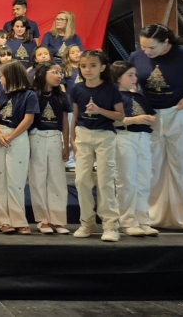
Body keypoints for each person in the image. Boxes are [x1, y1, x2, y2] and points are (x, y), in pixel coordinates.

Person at [129, 24, 183, 234]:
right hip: (150, 116)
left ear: (166, 43)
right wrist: (132, 92)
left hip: (180, 113)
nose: (146, 51)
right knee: (151, 167)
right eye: (143, 46)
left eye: (151, 47)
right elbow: (130, 79)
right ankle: (150, 217)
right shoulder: (136, 56)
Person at [70, 50, 125, 242]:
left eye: (93, 65)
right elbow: (75, 116)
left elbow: (120, 116)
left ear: (102, 68)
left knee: (105, 181)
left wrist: (99, 110)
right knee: (81, 180)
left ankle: (110, 225)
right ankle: (87, 222)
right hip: (83, 135)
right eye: (83, 66)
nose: (87, 69)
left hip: (105, 136)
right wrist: (72, 139)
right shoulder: (77, 89)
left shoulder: (111, 88)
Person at [111, 61, 159, 237]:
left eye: (134, 75)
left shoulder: (138, 97)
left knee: (143, 180)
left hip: (143, 138)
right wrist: (134, 120)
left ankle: (143, 220)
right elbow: (112, 121)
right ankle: (127, 221)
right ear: (118, 77)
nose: (134, 78)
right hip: (124, 137)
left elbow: (151, 115)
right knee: (127, 180)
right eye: (129, 75)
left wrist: (149, 119)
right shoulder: (113, 97)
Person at [0, 61, 38, 235]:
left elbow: (28, 119)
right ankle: (3, 220)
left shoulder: (29, 95)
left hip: (17, 137)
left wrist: (11, 136)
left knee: (16, 180)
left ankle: (19, 220)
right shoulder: (1, 94)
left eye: (2, 76)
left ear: (10, 77)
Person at [29, 63, 71, 234]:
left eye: (61, 73)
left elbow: (65, 122)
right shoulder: (33, 95)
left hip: (55, 136)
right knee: (38, 179)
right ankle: (42, 219)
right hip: (36, 136)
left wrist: (66, 145)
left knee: (57, 179)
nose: (59, 76)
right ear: (43, 74)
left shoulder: (62, 96)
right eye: (55, 72)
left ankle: (57, 219)